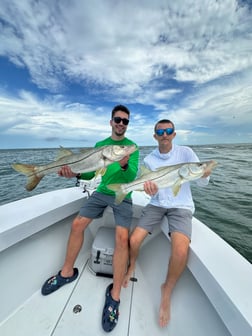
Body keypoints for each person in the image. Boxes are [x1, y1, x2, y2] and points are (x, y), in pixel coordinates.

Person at [41, 105, 139, 333]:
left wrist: (124, 163)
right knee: (77, 224)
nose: (121, 123)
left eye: (125, 121)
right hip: (102, 192)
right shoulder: (100, 146)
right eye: (118, 119)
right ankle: (66, 273)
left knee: (122, 237)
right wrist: (73, 173)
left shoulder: (131, 148)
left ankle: (114, 295)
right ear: (111, 121)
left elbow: (132, 176)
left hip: (123, 194)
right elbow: (89, 172)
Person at [123, 119, 213, 328]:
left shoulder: (186, 153)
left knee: (181, 251)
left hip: (181, 206)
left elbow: (201, 181)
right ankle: (132, 264)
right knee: (133, 240)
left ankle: (167, 290)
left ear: (174, 134)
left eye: (168, 131)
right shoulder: (149, 159)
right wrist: (148, 189)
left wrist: (205, 172)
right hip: (156, 204)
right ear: (155, 136)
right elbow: (148, 185)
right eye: (160, 131)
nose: (164, 134)